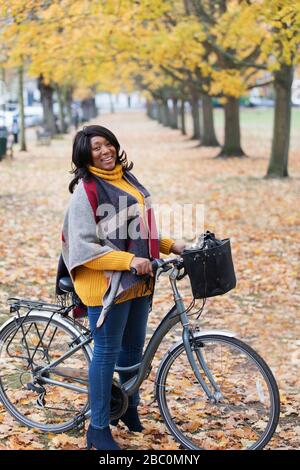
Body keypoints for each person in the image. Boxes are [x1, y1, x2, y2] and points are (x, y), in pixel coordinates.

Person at [60, 125, 185, 450]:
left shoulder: (127, 180)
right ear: (85, 157)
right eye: (95, 148)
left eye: (107, 144)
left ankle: (127, 410)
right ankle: (98, 428)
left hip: (137, 281)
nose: (104, 151)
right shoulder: (86, 191)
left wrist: (174, 246)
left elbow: (141, 229)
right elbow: (82, 247)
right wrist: (128, 261)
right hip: (105, 283)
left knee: (132, 352)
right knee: (106, 354)